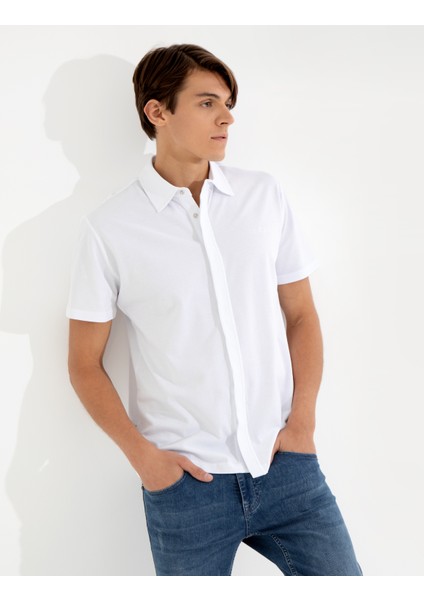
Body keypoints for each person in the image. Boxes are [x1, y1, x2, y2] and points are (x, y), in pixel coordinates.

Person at [66, 43, 362, 576]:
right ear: (157, 112)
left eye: (227, 104)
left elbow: (301, 315)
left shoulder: (263, 197)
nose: (227, 118)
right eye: (207, 103)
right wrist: (146, 460)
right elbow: (84, 363)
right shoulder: (110, 229)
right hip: (186, 488)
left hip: (285, 467)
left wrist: (302, 425)